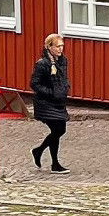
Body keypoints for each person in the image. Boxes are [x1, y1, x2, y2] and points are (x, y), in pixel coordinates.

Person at [30, 34, 70, 173]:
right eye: (57, 46)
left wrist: (65, 88)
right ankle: (54, 163)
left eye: (62, 46)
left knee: (59, 130)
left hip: (59, 102)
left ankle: (39, 151)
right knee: (58, 130)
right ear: (49, 47)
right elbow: (34, 84)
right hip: (45, 103)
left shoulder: (63, 61)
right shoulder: (42, 64)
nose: (60, 49)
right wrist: (51, 92)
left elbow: (63, 78)